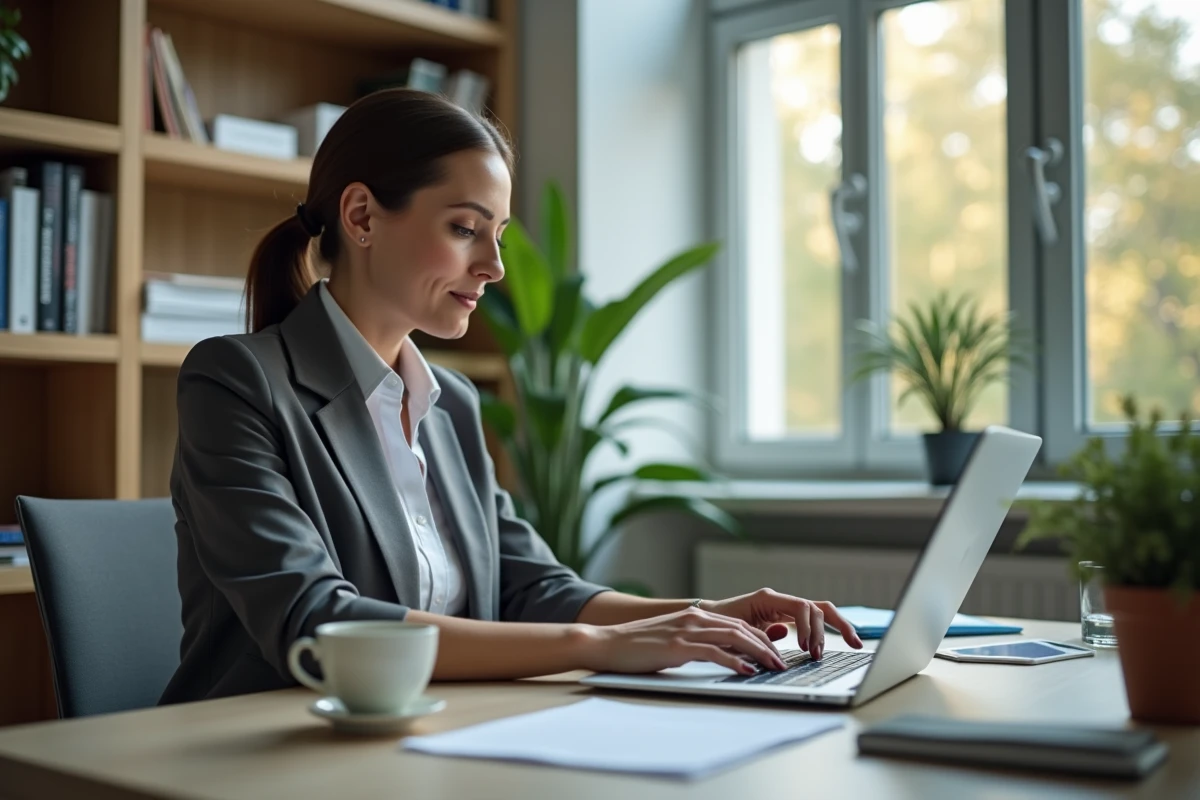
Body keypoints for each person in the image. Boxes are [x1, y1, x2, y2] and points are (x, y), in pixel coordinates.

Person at [160, 88, 863, 704]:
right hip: (262, 752)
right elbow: (317, 622)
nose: (494, 266)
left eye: (496, 235)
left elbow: (532, 588)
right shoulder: (236, 381)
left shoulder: (451, 405)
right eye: (465, 229)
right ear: (363, 216)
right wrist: (598, 647)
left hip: (423, 738)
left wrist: (710, 615)